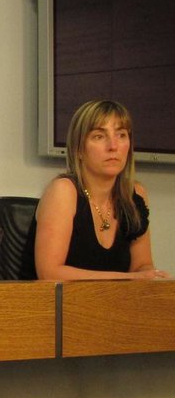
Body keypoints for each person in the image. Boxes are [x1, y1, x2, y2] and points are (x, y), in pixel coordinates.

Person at [31, 99, 166, 280]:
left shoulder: (135, 194)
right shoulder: (63, 191)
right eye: (99, 136)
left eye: (121, 135)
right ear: (79, 149)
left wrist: (151, 276)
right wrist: (127, 279)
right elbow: (50, 273)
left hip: (114, 298)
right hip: (55, 299)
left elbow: (141, 266)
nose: (113, 146)